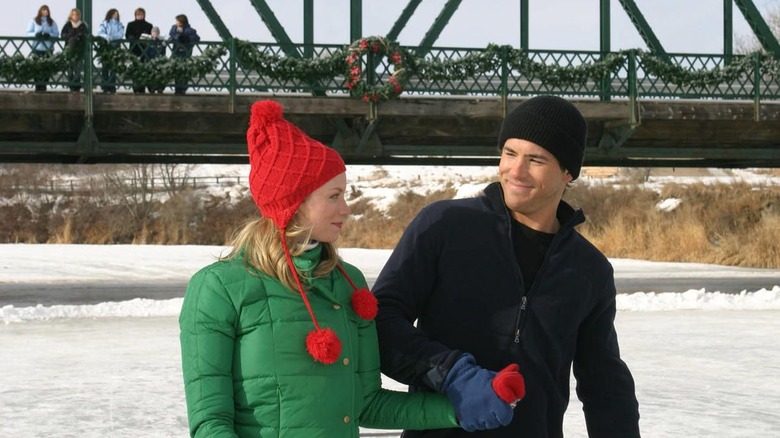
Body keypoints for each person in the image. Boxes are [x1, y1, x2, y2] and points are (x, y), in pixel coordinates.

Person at [179, 99, 525, 437]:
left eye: (344, 195)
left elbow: (367, 405)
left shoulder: (348, 284)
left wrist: (462, 407)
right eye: (333, 197)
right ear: (293, 203)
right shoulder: (218, 288)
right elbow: (211, 422)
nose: (346, 209)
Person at [373, 95, 641, 437]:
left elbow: (605, 385)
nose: (516, 171)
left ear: (568, 172)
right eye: (510, 153)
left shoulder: (589, 270)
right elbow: (380, 321)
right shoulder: (444, 226)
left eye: (536, 159)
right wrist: (450, 372)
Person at [25, 5, 59, 92]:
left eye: (46, 10)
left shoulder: (51, 22)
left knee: (47, 67)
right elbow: (28, 32)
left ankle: (44, 85)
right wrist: (35, 35)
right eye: (43, 10)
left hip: (48, 48)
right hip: (37, 47)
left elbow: (56, 33)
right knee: (36, 67)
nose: (45, 12)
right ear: (40, 11)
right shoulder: (34, 21)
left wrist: (49, 35)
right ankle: (37, 85)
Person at [168, 14, 200, 95]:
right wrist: (179, 37)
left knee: (184, 71)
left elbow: (196, 38)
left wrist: (187, 39)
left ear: (181, 21)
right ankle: (177, 89)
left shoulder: (189, 30)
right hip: (176, 53)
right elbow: (172, 34)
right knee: (176, 71)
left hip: (185, 54)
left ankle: (183, 89)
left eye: (177, 21)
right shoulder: (174, 28)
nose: (176, 22)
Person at [125, 7, 153, 94]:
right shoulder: (130, 24)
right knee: (135, 67)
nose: (139, 16)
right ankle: (136, 86)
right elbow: (127, 35)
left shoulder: (149, 25)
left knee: (144, 68)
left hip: (144, 49)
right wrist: (134, 38)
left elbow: (150, 36)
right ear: (135, 15)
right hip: (134, 49)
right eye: (138, 14)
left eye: (141, 14)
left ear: (144, 15)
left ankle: (143, 86)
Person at [59, 8, 88, 92]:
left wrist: (79, 36)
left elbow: (86, 34)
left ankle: (77, 84)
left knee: (78, 67)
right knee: (70, 67)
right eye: (73, 14)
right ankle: (71, 84)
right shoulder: (68, 24)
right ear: (71, 16)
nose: (75, 16)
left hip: (79, 49)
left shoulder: (82, 25)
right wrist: (70, 36)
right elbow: (62, 34)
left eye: (76, 15)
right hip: (69, 48)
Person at [96, 8, 124, 94]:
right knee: (105, 66)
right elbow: (100, 32)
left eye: (117, 14)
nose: (116, 15)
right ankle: (104, 85)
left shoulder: (120, 24)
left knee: (113, 67)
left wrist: (112, 37)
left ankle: (112, 85)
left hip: (115, 46)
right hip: (105, 46)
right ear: (110, 14)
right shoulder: (104, 23)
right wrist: (106, 36)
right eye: (114, 14)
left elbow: (120, 34)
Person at [141, 26, 166, 93]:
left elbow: (163, 51)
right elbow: (146, 51)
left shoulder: (161, 42)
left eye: (156, 33)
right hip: (150, 60)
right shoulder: (148, 41)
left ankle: (160, 88)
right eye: (153, 32)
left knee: (160, 74)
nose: (155, 34)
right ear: (151, 33)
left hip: (159, 61)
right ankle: (151, 88)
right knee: (150, 74)